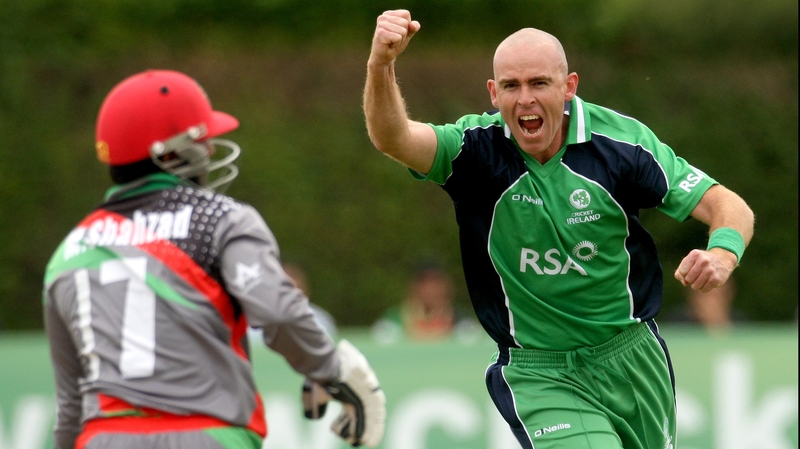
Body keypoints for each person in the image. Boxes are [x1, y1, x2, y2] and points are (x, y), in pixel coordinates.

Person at [363, 10, 754, 449]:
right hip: (538, 373)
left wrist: (721, 254)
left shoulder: (622, 145)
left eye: (539, 83)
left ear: (569, 86)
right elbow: (392, 138)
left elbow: (727, 204)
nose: (525, 99)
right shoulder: (473, 151)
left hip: (634, 356)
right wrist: (381, 65)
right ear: (494, 93)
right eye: (511, 86)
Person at [43, 70, 385, 449]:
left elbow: (71, 403)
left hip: (103, 439)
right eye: (202, 139)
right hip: (207, 434)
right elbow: (279, 313)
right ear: (170, 151)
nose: (209, 150)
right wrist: (333, 370)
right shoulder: (219, 218)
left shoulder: (69, 252)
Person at [371, 260, 479, 342]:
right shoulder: (393, 320)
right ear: (413, 286)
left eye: (436, 282)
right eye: (424, 283)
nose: (430, 289)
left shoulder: (462, 320)